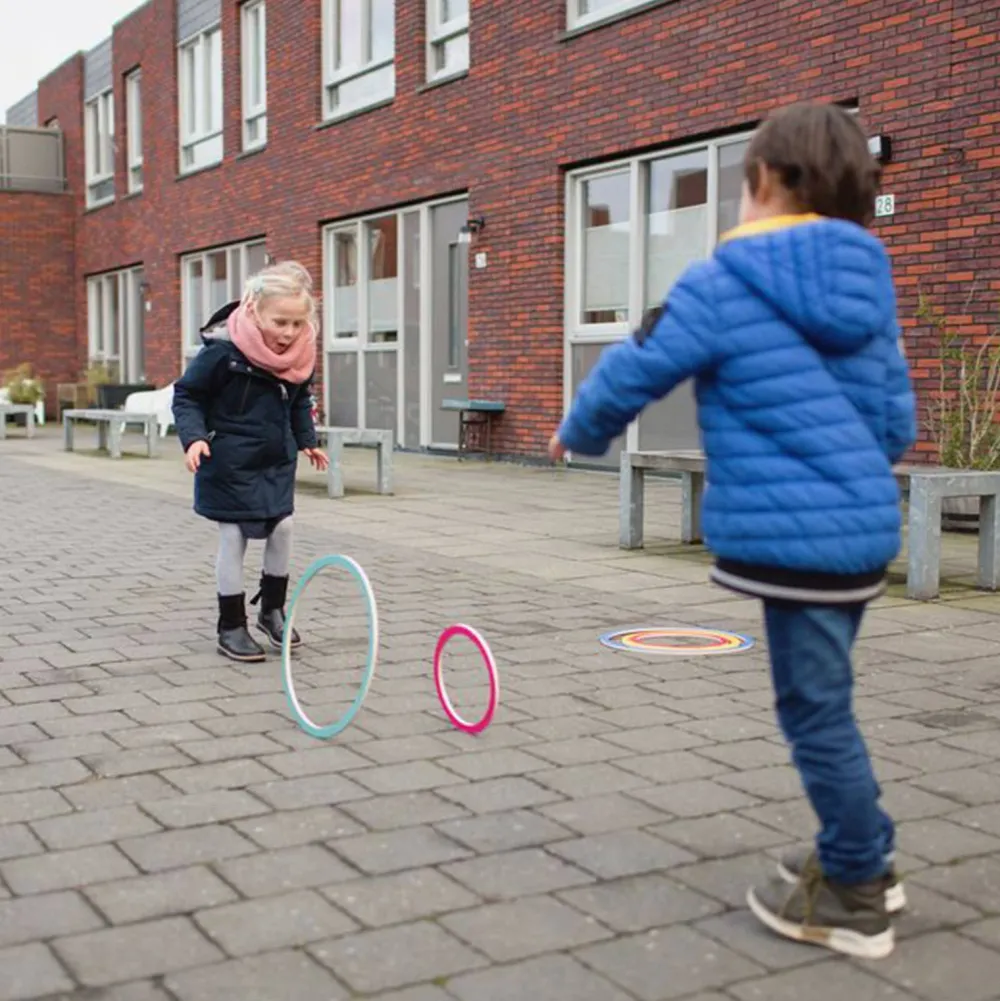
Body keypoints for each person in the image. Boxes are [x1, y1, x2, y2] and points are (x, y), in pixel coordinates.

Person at [549, 102, 916, 960]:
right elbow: (897, 421)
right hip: (862, 533)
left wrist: (580, 429)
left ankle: (858, 886)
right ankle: (865, 850)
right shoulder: (868, 284)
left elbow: (640, 364)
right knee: (828, 698)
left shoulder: (724, 278)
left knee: (814, 710)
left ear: (764, 182)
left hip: (795, 545)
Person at [173, 261, 329, 664]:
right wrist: (194, 439)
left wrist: (308, 441)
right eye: (280, 322)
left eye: (297, 323)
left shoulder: (299, 354)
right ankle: (231, 625)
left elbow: (299, 400)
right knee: (233, 535)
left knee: (284, 527)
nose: (289, 333)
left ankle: (272, 611)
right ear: (255, 310)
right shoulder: (223, 351)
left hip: (274, 460)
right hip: (227, 459)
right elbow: (188, 395)